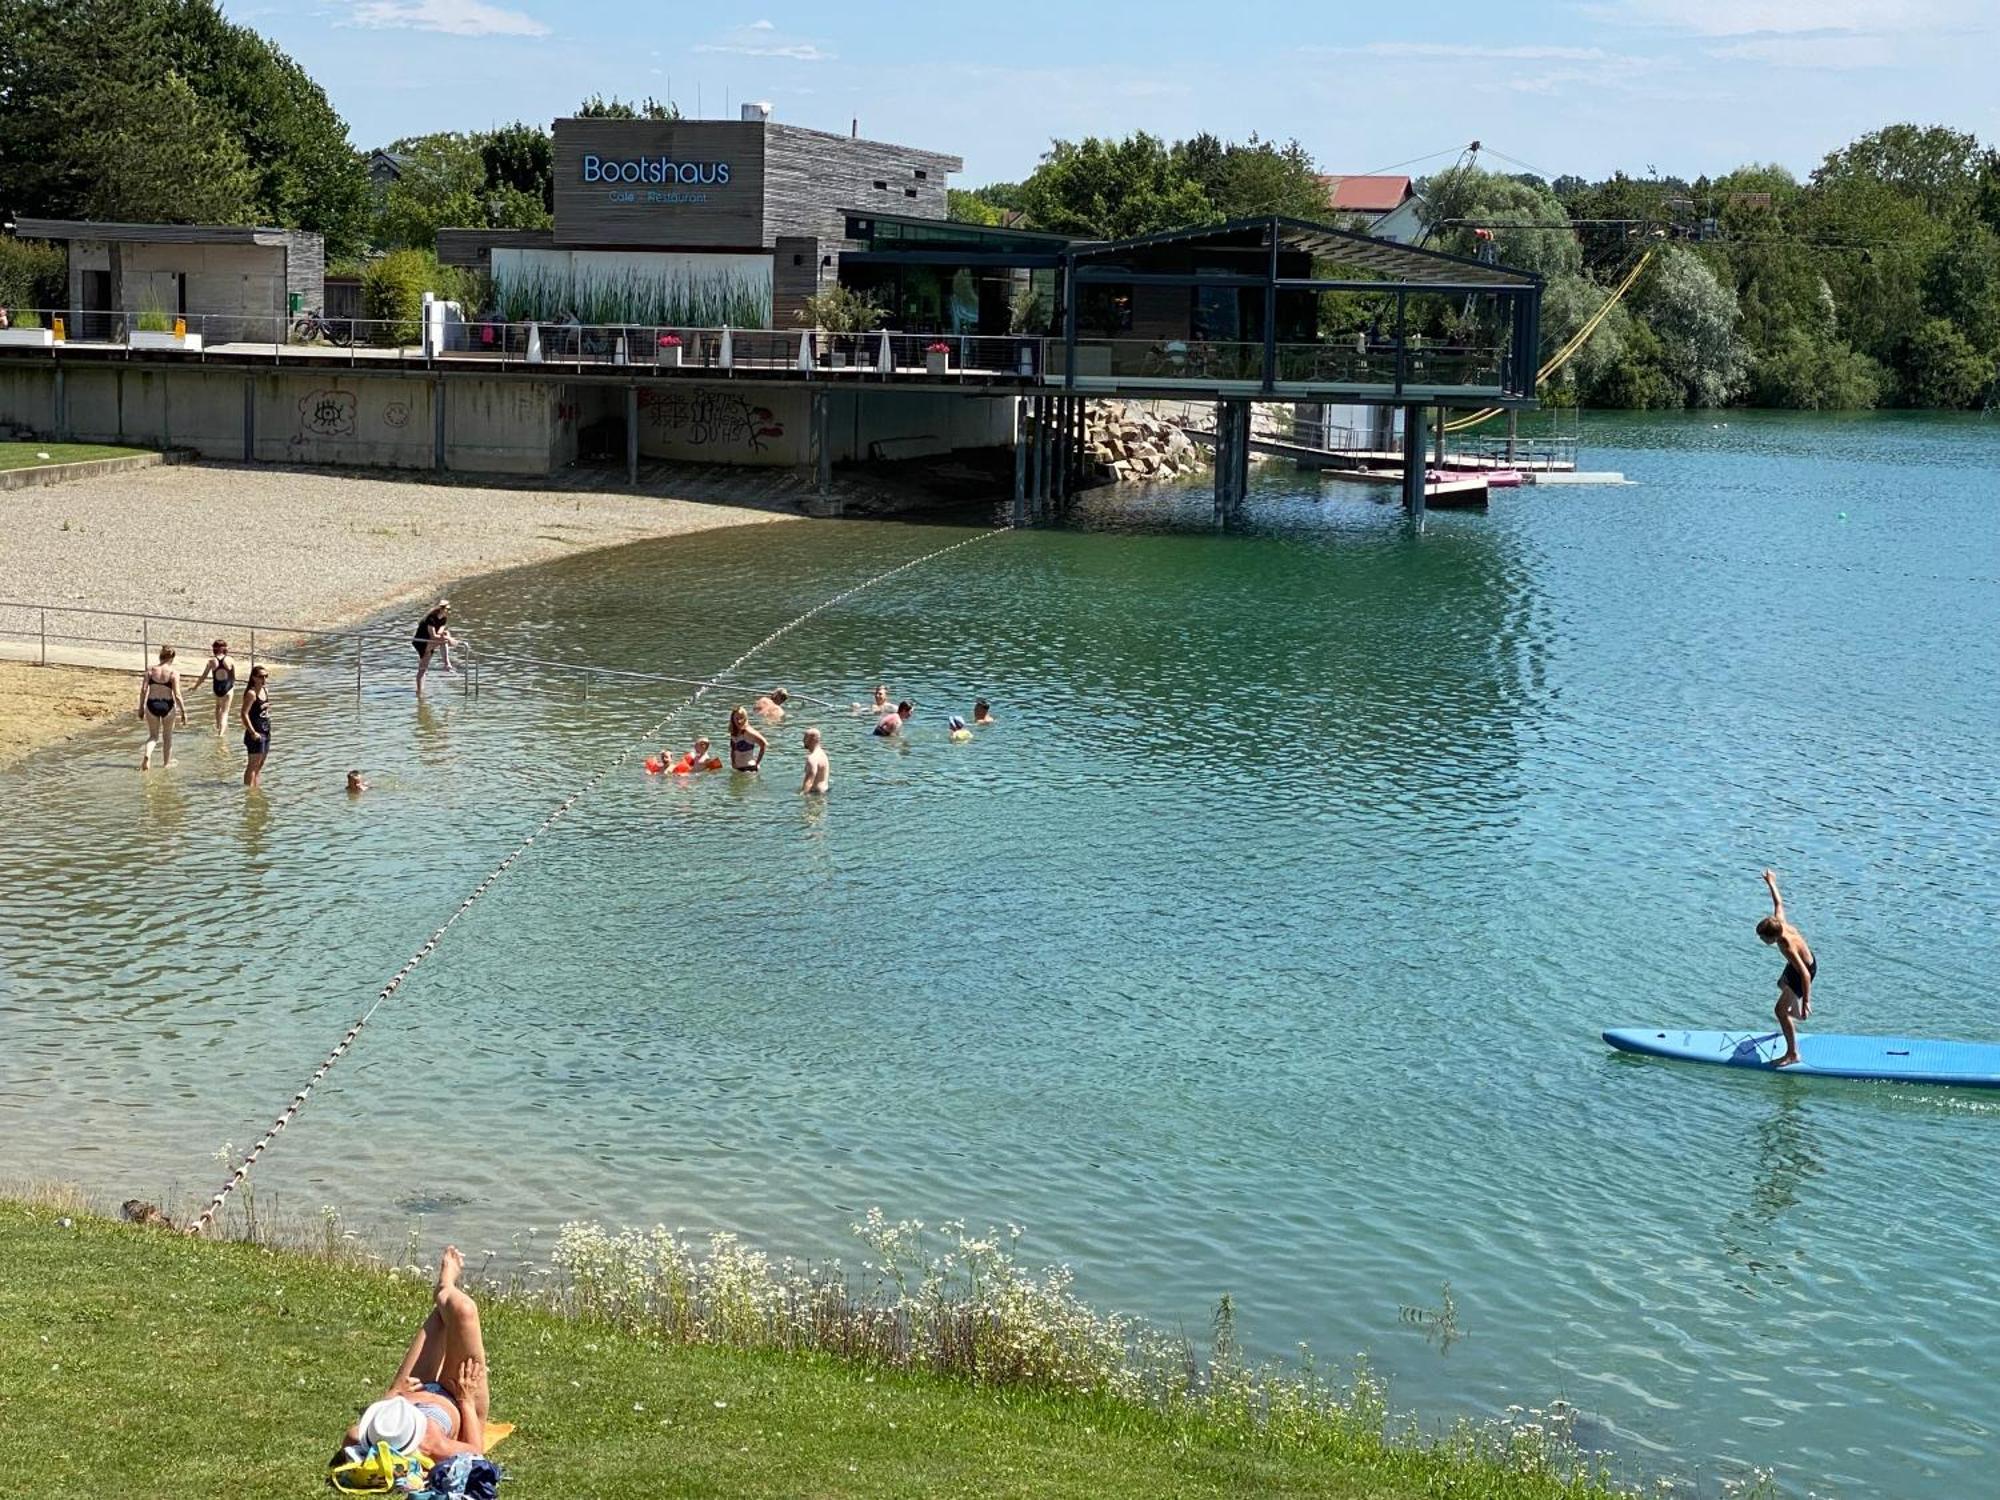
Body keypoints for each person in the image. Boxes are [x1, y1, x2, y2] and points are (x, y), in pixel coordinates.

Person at [332, 1246, 490, 1467]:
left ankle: (444, 1291)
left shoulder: (361, 1436)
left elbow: (378, 1417)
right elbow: (476, 1455)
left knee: (443, 1313)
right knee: (463, 1311)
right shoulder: (434, 1446)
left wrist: (395, 1394)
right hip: (457, 1394)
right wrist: (466, 1400)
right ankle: (445, 1287)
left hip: (409, 1390)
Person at [1758, 869, 1817, 1067]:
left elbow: (1805, 975)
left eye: (1763, 938)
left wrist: (1806, 1000)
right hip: (1798, 966)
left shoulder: (1787, 946)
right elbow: (1778, 903)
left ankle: (1793, 1053)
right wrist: (1771, 882)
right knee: (1781, 983)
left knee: (1779, 1011)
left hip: (1803, 971)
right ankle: (1796, 1013)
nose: (1762, 940)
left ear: (1773, 937)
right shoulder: (1780, 923)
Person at [137, 645, 186, 771]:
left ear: (161, 656)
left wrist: (141, 708)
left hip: (151, 704)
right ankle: (166, 764)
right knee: (167, 737)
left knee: (153, 736)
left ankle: (148, 755)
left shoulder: (150, 670)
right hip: (167, 705)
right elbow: (177, 694)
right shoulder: (174, 673)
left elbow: (143, 690)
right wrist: (184, 712)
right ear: (172, 658)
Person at [190, 639, 236, 735]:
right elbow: (233, 676)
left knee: (218, 708)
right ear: (225, 648)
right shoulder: (230, 659)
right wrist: (232, 686)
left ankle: (218, 726)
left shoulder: (211, 661)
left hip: (217, 688)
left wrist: (195, 686)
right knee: (225, 712)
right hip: (228, 688)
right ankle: (221, 733)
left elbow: (203, 676)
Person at [240, 665, 271, 789]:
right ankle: (248, 791)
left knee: (260, 765)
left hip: (266, 731)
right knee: (252, 765)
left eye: (266, 676)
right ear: (254, 678)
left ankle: (256, 789)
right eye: (261, 677)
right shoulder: (251, 694)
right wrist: (252, 732)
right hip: (255, 733)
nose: (264, 679)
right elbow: (243, 714)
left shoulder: (265, 691)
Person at [414, 600, 454, 694]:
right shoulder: (431, 618)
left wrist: (447, 635)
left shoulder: (444, 619)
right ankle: (447, 664)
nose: (449, 611)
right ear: (442, 609)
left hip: (429, 642)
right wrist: (449, 639)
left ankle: (420, 692)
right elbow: (434, 636)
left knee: (423, 668)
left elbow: (439, 633)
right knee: (444, 641)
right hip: (421, 641)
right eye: (448, 609)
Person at [727, 707, 767, 772]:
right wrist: (733, 762)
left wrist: (757, 763)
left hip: (749, 769)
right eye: (736, 718)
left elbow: (764, 744)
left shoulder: (748, 731)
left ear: (745, 718)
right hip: (737, 768)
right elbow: (733, 749)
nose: (739, 721)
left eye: (741, 718)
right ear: (732, 719)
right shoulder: (734, 731)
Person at [799, 727, 830, 794]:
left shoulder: (812, 758)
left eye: (805, 738)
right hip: (824, 792)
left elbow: (809, 781)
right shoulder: (823, 754)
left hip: (814, 794)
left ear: (811, 739)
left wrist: (801, 795)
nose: (803, 740)